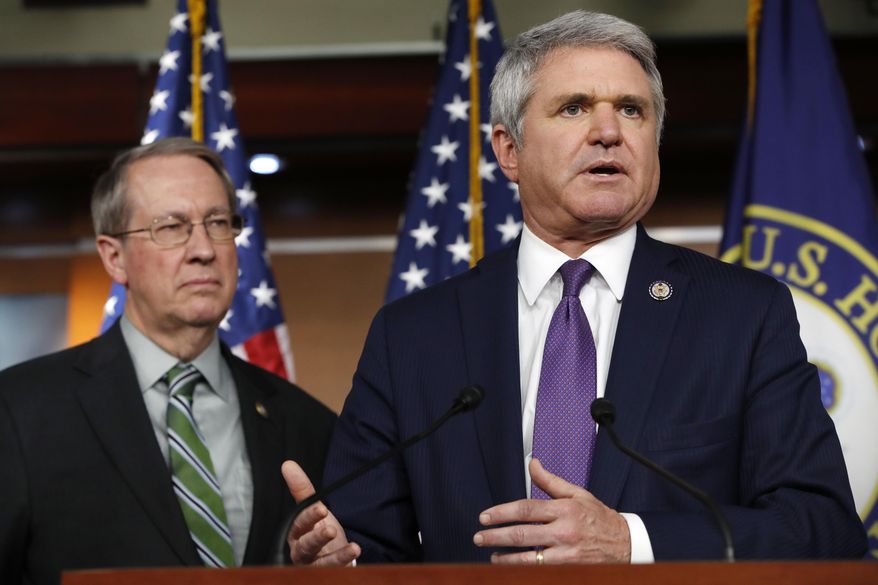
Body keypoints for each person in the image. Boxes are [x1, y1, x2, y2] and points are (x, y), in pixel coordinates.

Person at [283, 9, 868, 565]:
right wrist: (341, 559)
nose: (609, 131)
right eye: (574, 107)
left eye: (633, 110)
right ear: (509, 150)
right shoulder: (412, 336)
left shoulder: (742, 315)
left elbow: (823, 527)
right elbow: (367, 544)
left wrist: (632, 538)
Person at [0, 138, 336, 585]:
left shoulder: (308, 424)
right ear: (114, 257)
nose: (204, 249)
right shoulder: (19, 410)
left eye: (218, 222)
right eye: (171, 227)